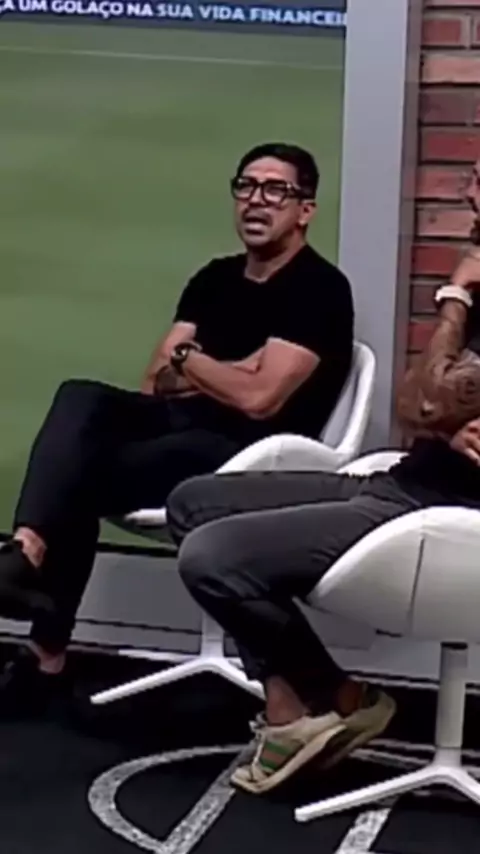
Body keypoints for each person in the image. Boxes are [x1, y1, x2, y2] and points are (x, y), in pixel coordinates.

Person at [0, 142, 354, 713]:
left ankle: (44, 648)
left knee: (77, 475)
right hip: (176, 427)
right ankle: (28, 550)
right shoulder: (214, 279)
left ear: (304, 209)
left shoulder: (320, 290)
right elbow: (155, 381)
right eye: (246, 186)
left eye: (275, 190)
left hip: (247, 455)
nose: (256, 201)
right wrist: (226, 369)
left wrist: (191, 360)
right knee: (81, 398)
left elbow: (260, 400)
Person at [166, 160, 480, 795]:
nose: (470, 192)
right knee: (193, 502)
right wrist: (442, 416)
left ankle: (305, 709)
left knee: (211, 555)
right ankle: (326, 697)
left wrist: (455, 294)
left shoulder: (469, 288)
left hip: (444, 514)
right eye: (472, 175)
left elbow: (428, 403)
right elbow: (413, 407)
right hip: (403, 480)